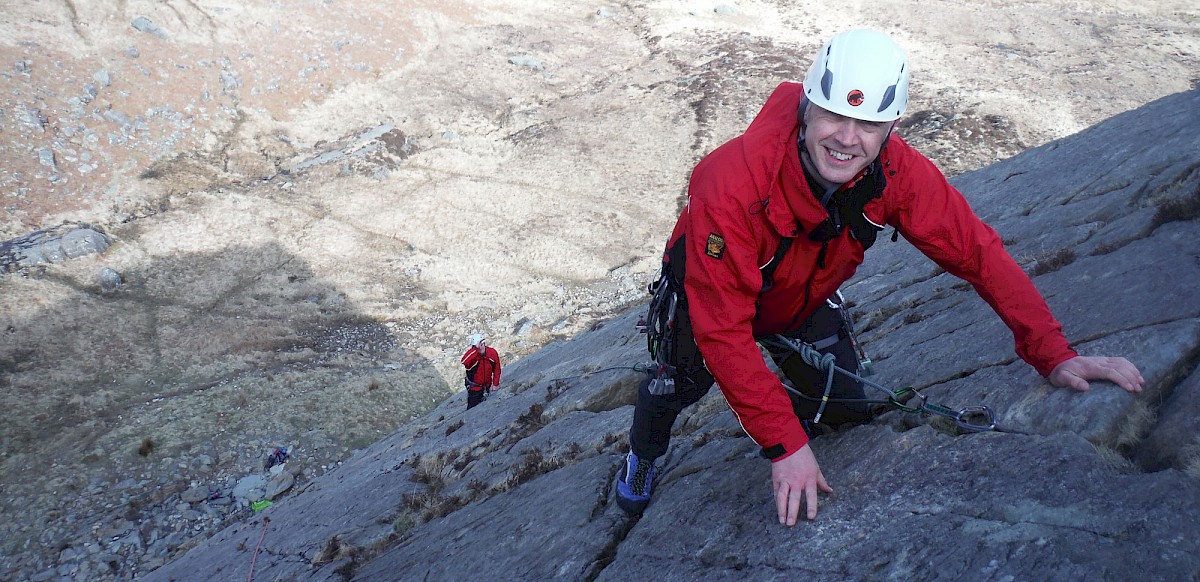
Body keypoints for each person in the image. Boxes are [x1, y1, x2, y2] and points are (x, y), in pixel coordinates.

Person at [615, 28, 1145, 526]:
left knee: (847, 406)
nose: (848, 139)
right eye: (833, 118)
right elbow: (723, 329)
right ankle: (643, 454)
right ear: (806, 109)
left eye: (869, 124)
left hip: (800, 299)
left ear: (892, 128)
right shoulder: (732, 180)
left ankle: (784, 408)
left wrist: (1051, 352)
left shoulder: (895, 173)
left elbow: (978, 253)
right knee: (674, 385)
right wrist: (785, 445)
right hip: (708, 295)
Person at [462, 333, 501, 410]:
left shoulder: (492, 353)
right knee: (472, 410)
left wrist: (495, 384)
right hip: (474, 389)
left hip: (487, 386)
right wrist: (476, 349)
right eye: (479, 345)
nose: (481, 347)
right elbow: (464, 361)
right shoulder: (473, 357)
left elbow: (497, 369)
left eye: (483, 344)